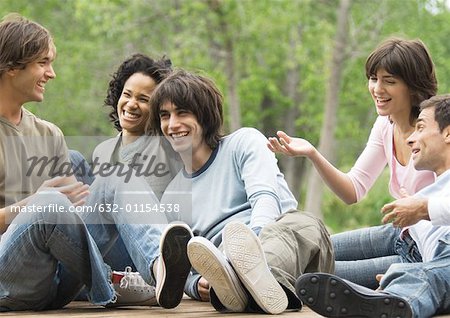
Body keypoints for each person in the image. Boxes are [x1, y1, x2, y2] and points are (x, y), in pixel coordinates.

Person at [0, 13, 191, 311]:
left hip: (56, 281)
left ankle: (159, 269)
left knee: (119, 176)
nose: (52, 73)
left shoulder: (49, 134)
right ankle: (110, 283)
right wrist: (33, 204)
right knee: (49, 203)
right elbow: (45, 207)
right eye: (43, 63)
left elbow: (74, 223)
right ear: (11, 66)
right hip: (7, 280)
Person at [148, 69, 334, 314]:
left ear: (204, 115)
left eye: (182, 112)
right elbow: (185, 267)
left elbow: (265, 200)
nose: (172, 124)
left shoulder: (243, 143)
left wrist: (247, 254)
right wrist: (196, 285)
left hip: (291, 254)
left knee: (303, 222)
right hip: (224, 274)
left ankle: (247, 281)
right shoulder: (173, 196)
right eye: (165, 116)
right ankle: (249, 289)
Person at [268, 37, 437, 289]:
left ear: (413, 86)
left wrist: (422, 206)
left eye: (389, 81)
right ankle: (238, 268)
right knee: (312, 247)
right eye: (373, 78)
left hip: (425, 251)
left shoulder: (436, 133)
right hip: (398, 233)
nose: (377, 89)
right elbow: (353, 190)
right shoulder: (385, 125)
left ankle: (246, 282)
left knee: (312, 271)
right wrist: (312, 154)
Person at [296, 94, 450, 318]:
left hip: (428, 264)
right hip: (417, 251)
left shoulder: (429, 200)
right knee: (311, 251)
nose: (410, 138)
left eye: (421, 127)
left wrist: (423, 209)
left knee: (423, 276)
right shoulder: (436, 188)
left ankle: (387, 302)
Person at [90, 53, 181, 272]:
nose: (131, 104)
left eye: (143, 99)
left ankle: (162, 270)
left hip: (149, 245)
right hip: (108, 246)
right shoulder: (102, 152)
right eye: (127, 94)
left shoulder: (167, 145)